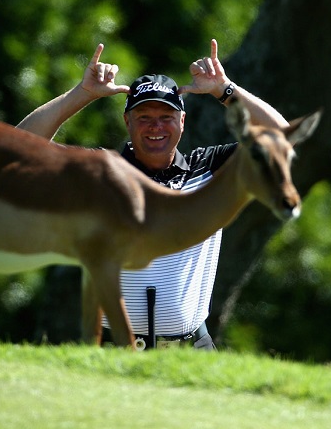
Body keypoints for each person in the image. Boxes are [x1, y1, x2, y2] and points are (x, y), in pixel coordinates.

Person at [17, 39, 289, 350]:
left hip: (191, 350)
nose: (155, 127)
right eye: (144, 117)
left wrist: (225, 90)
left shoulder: (211, 170)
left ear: (182, 122)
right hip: (112, 350)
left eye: (166, 117)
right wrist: (82, 94)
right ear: (127, 122)